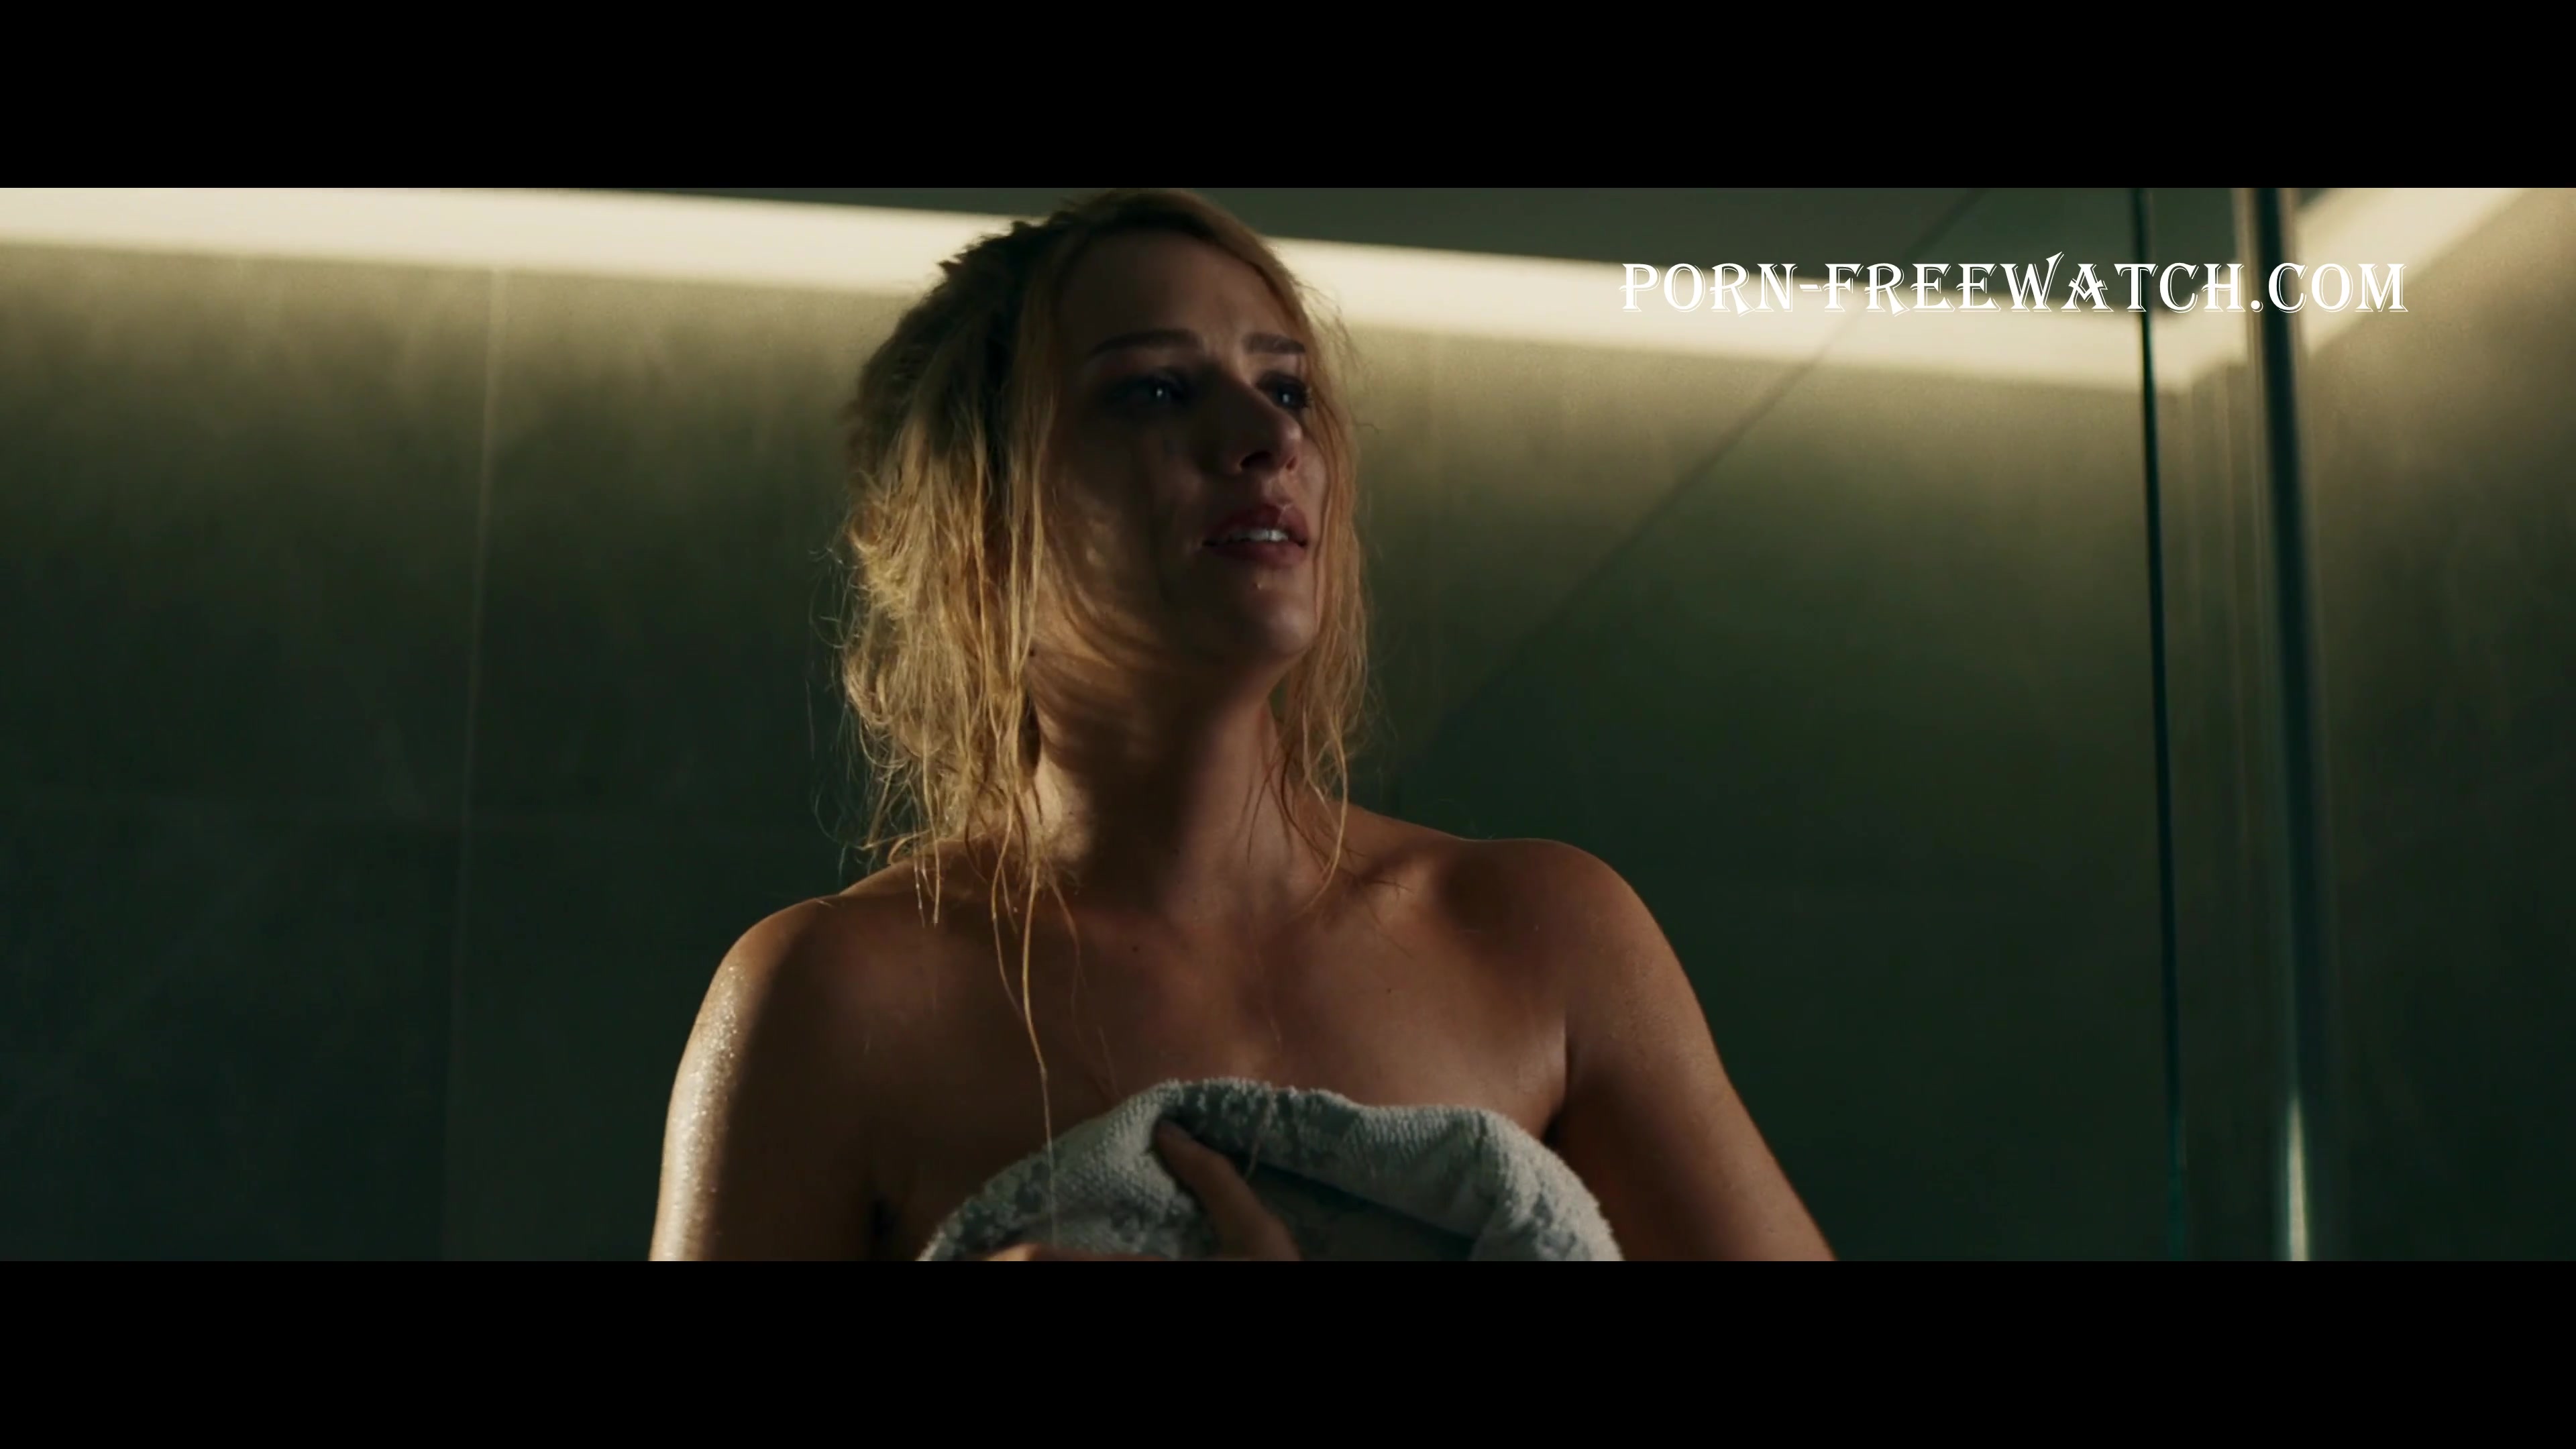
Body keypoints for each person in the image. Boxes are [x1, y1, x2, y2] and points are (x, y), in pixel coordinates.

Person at [648, 189, 1833, 1261]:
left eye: (1288, 388)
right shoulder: (834, 1000)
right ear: (984, 513)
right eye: (1156, 390)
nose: (1273, 439)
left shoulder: (1543, 940)